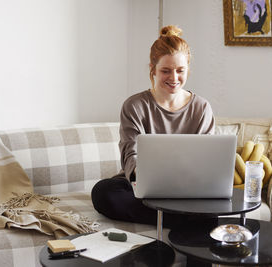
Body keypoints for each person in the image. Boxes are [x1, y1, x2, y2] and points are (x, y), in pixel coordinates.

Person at [91, 23, 215, 233]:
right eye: (166, 71)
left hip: (189, 189)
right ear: (153, 69)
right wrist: (150, 176)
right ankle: (184, 219)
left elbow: (207, 159)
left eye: (180, 71)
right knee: (103, 192)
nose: (174, 78)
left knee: (213, 203)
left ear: (188, 70)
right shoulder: (135, 105)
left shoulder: (201, 108)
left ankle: (176, 215)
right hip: (142, 187)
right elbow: (130, 156)